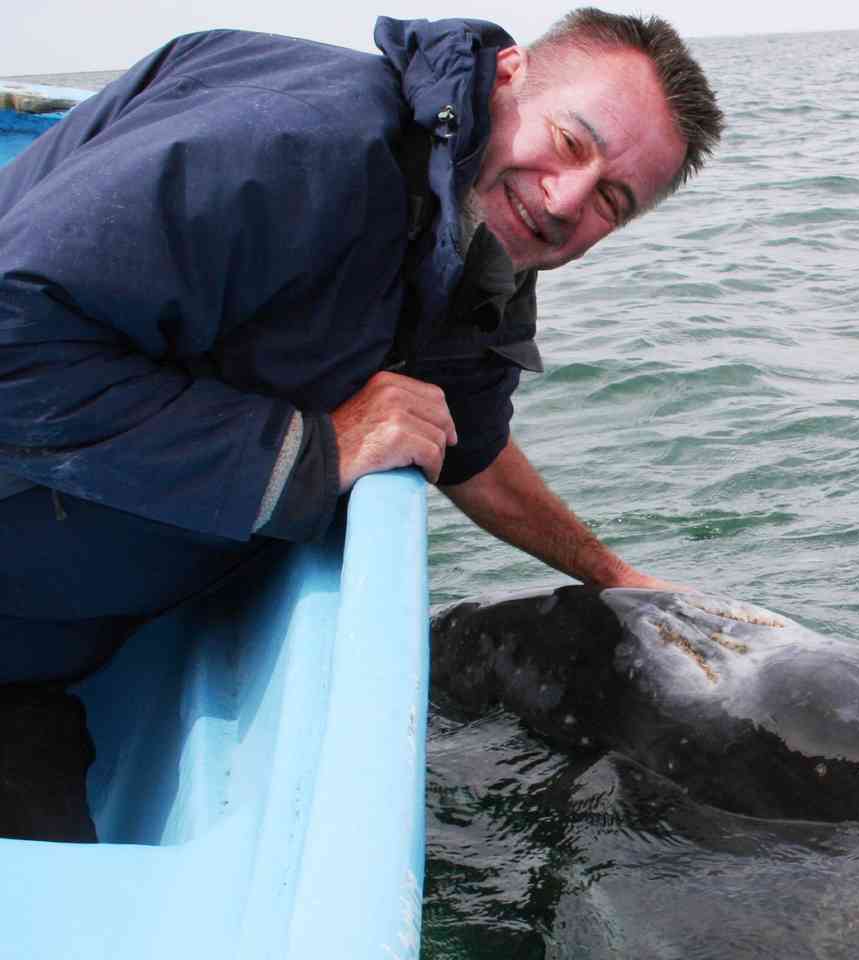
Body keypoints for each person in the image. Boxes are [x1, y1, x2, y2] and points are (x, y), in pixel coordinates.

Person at [0, 10, 724, 685]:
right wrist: (313, 450)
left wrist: (613, 575)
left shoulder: (473, 227)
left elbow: (466, 442)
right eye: (570, 142)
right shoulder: (296, 147)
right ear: (508, 75)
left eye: (610, 201)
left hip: (64, 640)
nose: (566, 200)